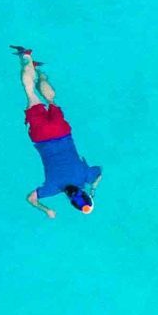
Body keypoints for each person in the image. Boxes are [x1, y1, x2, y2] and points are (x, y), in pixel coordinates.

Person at [15, 47, 102, 218]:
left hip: (62, 132)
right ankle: (25, 57)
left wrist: (93, 188)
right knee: (30, 93)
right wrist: (46, 210)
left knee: (51, 100)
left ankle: (39, 71)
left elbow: (100, 171)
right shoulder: (52, 187)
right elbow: (30, 199)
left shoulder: (86, 176)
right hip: (41, 137)